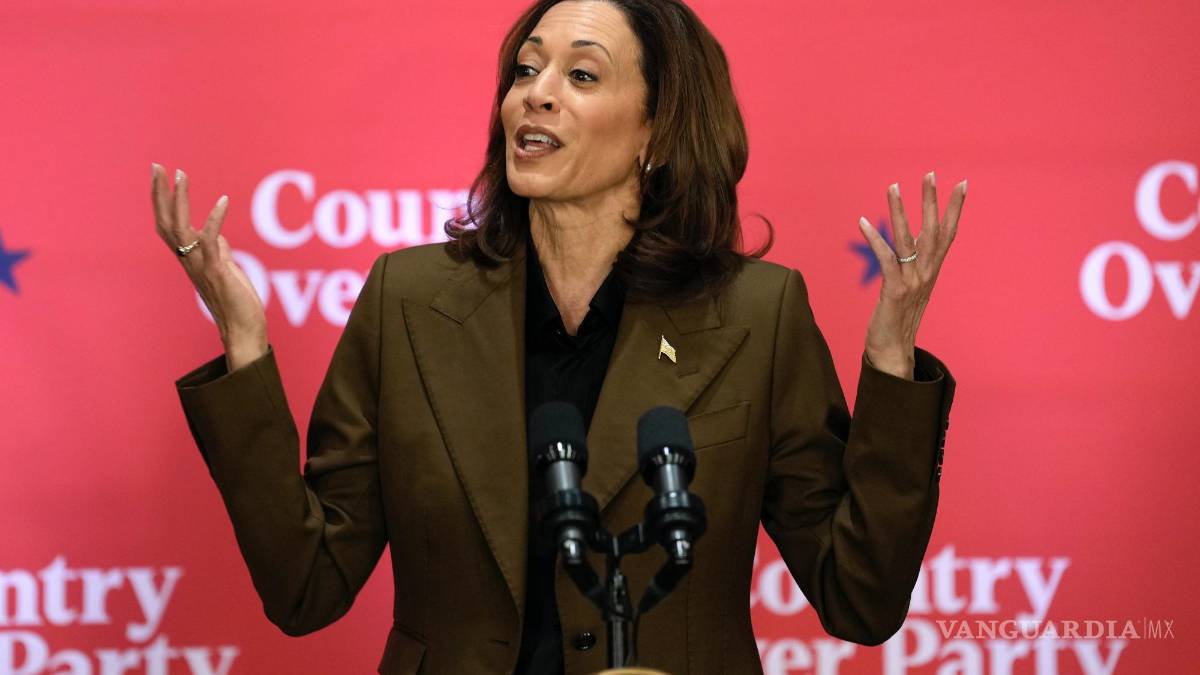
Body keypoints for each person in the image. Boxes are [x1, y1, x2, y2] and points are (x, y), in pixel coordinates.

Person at [149, 0, 965, 673]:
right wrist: (245, 346)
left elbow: (860, 597)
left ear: (656, 131)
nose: (535, 95)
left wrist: (892, 361)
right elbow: (306, 586)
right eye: (525, 69)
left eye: (581, 75)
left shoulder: (757, 313)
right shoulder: (409, 300)